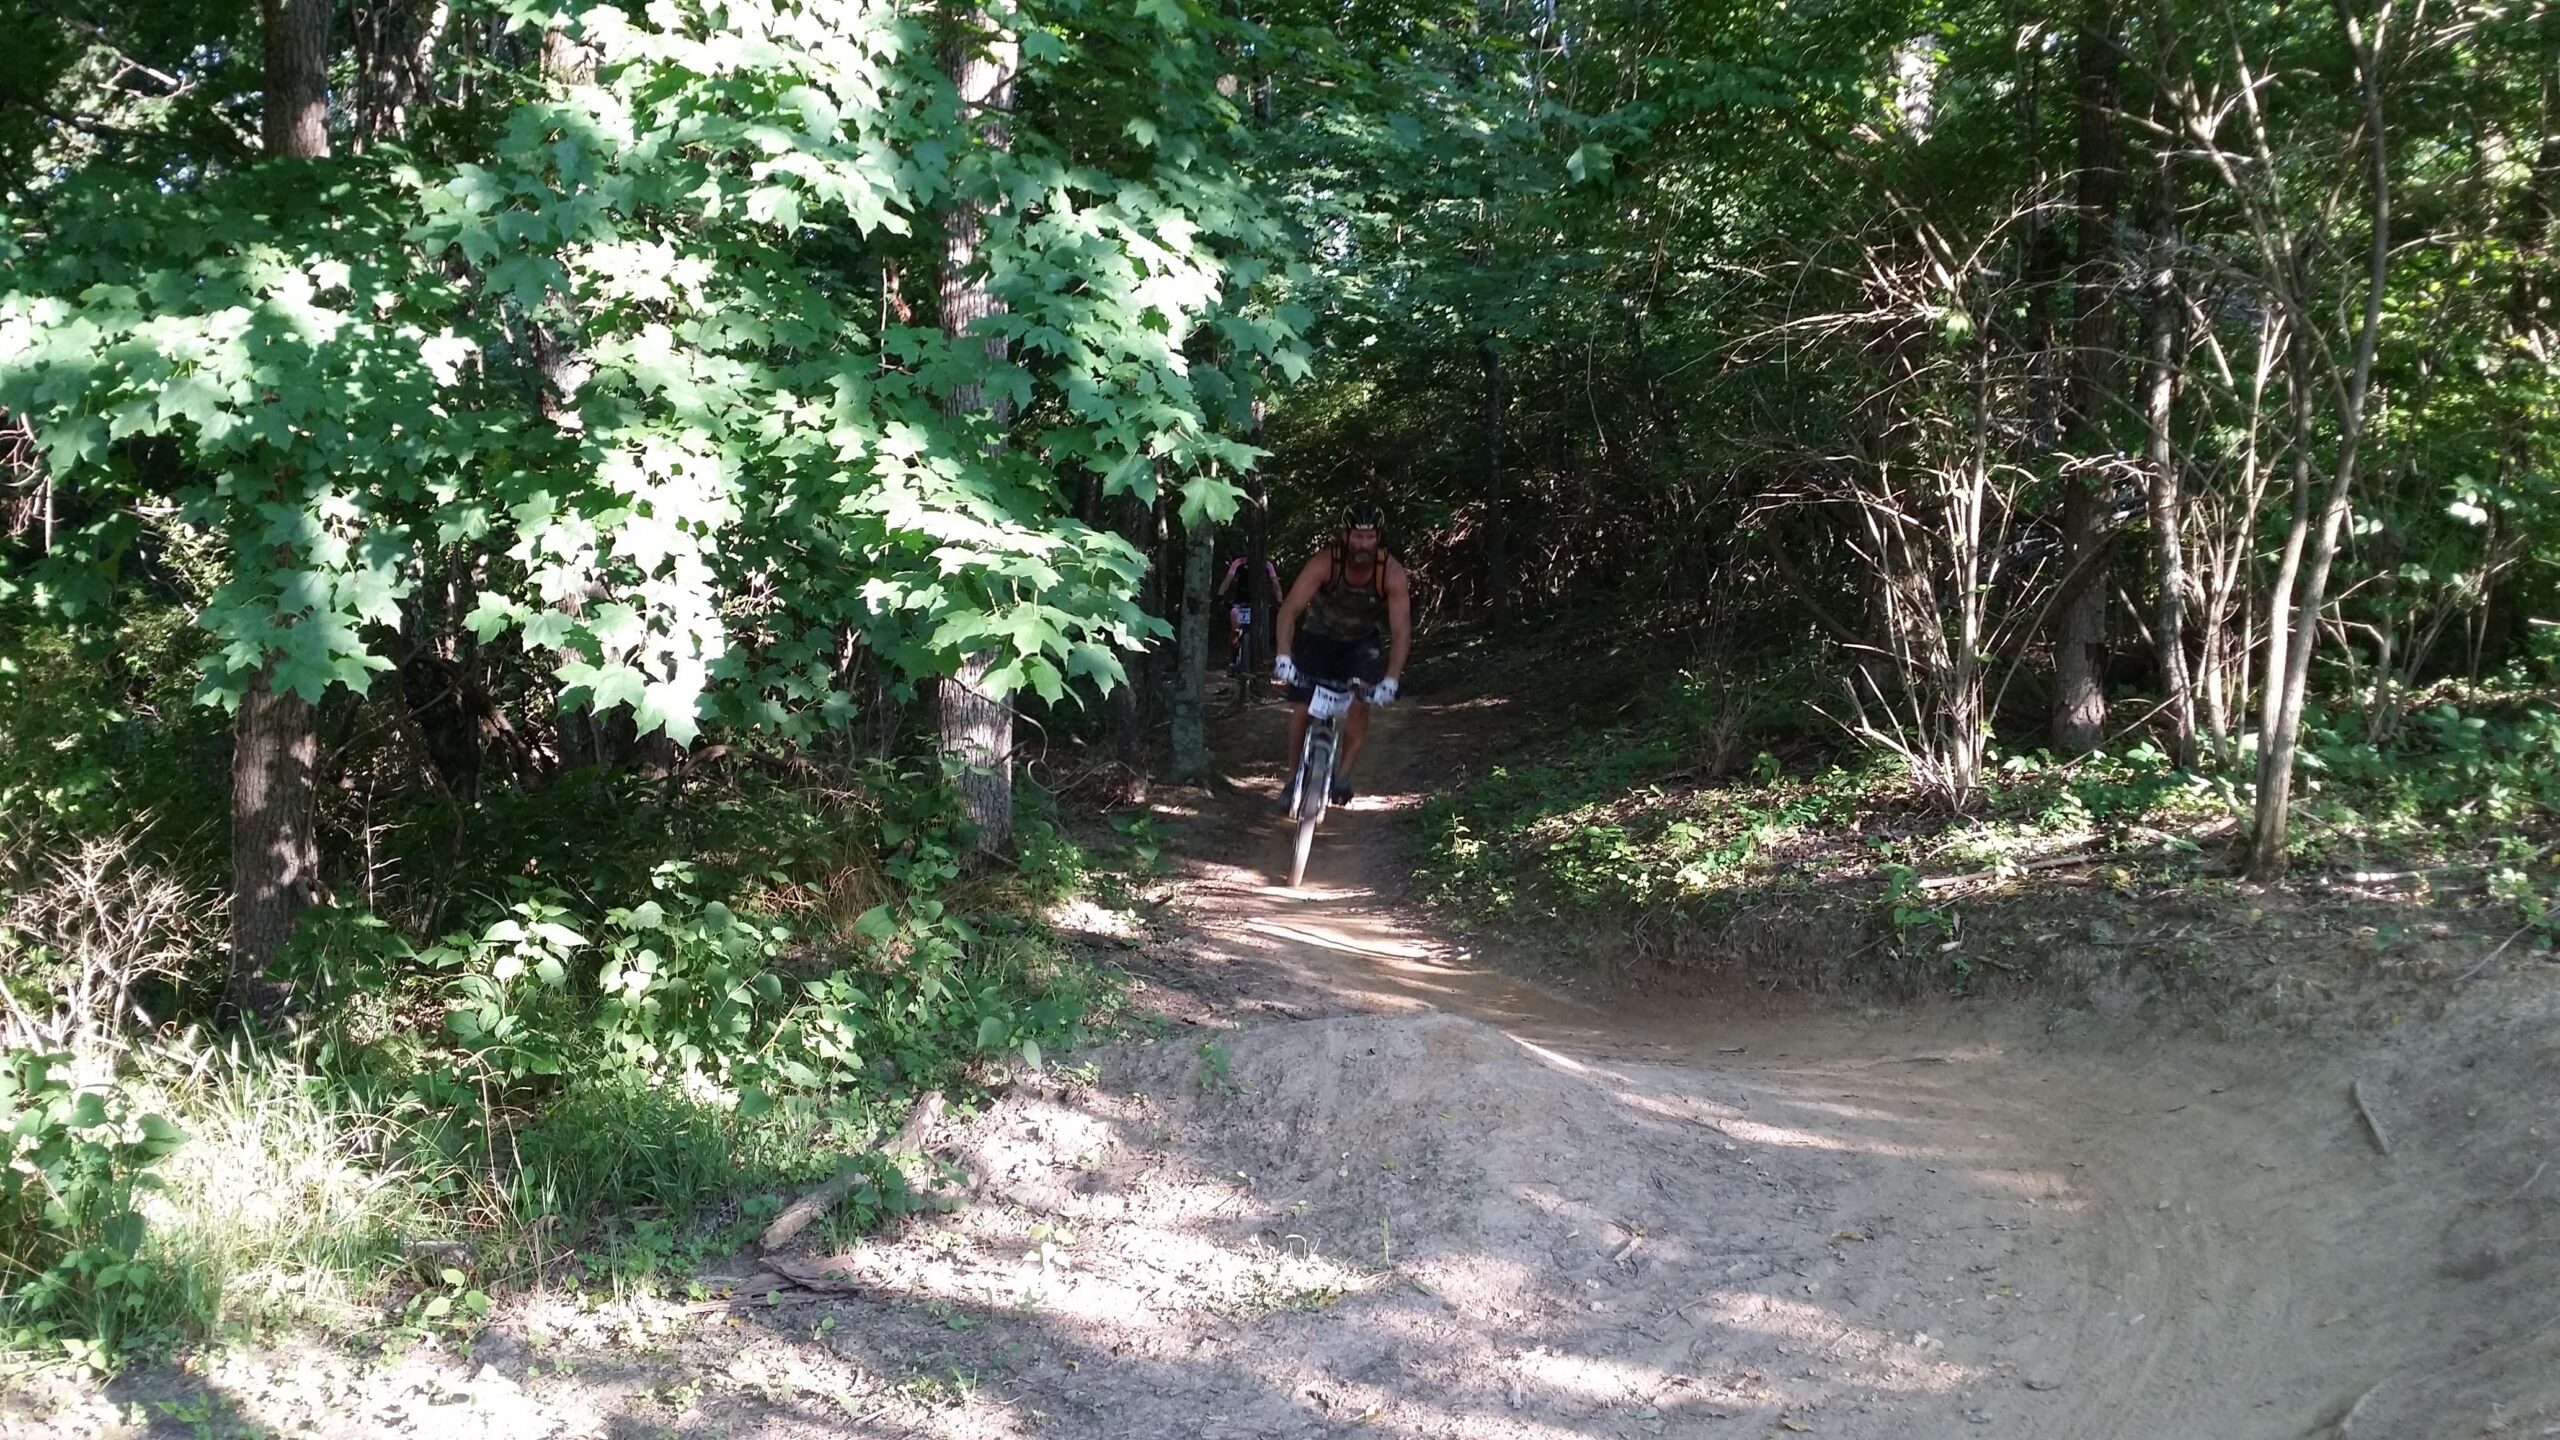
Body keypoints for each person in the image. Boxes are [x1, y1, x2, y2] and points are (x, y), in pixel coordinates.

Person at [1272, 501, 1411, 808]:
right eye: (1358, 537)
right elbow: (1290, 610)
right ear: (1345, 536)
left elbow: (1401, 631)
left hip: (1360, 642)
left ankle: (1343, 775)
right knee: (1302, 707)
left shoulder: (1390, 572)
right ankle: (1294, 777)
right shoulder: (1326, 563)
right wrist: (1284, 656)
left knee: (1361, 699)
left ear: (1378, 537)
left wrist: (1391, 679)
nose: (1364, 544)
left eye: (1370, 537)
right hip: (1317, 637)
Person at [1217, 552, 1280, 671]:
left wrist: (1279, 598)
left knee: (1261, 630)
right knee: (1235, 630)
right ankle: (1233, 658)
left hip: (1258, 605)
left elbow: (1275, 583)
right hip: (1240, 602)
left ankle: (1259, 659)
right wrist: (1221, 594)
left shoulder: (1267, 565)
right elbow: (1228, 580)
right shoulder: (1238, 563)